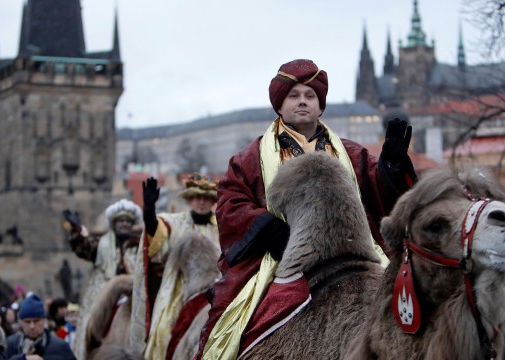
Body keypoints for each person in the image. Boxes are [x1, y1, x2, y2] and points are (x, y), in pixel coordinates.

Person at [196, 59, 416, 359]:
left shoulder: (351, 152)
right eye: (294, 95)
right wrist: (265, 227)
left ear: (320, 105)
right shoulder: (250, 157)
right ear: (280, 104)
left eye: (310, 96)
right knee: (227, 320)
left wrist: (391, 166)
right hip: (279, 259)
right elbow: (230, 202)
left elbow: (379, 191)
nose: (302, 102)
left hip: (353, 255)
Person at [130, 174, 220, 358]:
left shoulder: (223, 225)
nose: (201, 202)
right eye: (197, 197)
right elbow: (156, 238)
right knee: (164, 332)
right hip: (177, 291)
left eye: (206, 198)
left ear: (212, 201)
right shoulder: (174, 222)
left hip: (216, 292)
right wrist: (148, 210)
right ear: (190, 198)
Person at [64, 199, 142, 359]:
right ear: (114, 224)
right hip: (103, 291)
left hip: (133, 293)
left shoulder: (139, 245)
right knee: (90, 321)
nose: (124, 224)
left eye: (128, 221)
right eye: (121, 221)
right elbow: (84, 248)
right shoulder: (102, 244)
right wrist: (77, 230)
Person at [3, 294, 76, 360]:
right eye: (27, 322)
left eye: (36, 321)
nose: (32, 326)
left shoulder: (61, 347)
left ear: (44, 320)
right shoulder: (10, 345)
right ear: (21, 322)